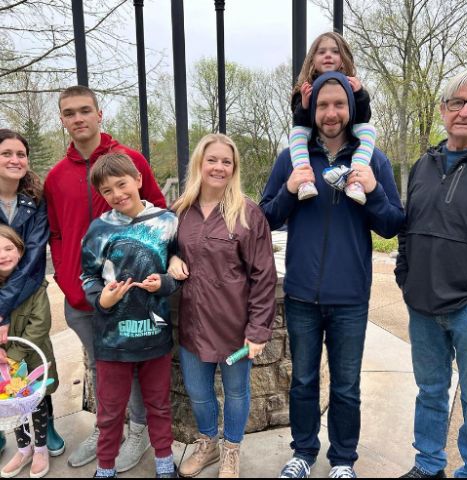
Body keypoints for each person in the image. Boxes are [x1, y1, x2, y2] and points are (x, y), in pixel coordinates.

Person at [260, 71, 404, 479]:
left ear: (351, 108)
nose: (330, 112)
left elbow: (393, 223)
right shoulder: (292, 155)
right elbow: (264, 215)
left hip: (350, 297)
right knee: (302, 381)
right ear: (312, 108)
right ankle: (303, 453)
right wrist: (289, 189)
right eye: (322, 104)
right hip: (303, 293)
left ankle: (343, 460)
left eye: (339, 104)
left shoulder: (372, 158)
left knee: (345, 387)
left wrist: (373, 190)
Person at [44, 86, 166, 471]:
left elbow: (159, 211)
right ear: (62, 120)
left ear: (99, 114)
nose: (77, 118)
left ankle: (138, 432)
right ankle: (106, 429)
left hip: (134, 297)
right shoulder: (56, 177)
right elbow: (57, 233)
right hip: (84, 296)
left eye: (84, 110)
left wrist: (156, 273)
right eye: (69, 113)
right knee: (101, 367)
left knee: (130, 365)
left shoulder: (129, 160)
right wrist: (68, 279)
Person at [167, 133, 277, 479]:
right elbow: (161, 249)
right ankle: (208, 445)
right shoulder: (180, 211)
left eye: (226, 161)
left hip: (235, 326)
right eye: (211, 159)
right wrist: (170, 257)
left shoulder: (248, 213)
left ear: (234, 168)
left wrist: (258, 330)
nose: (218, 167)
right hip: (193, 324)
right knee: (199, 395)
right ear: (199, 163)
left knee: (236, 392)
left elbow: (263, 276)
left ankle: (231, 449)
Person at [395, 68, 467, 479]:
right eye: (456, 103)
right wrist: (405, 276)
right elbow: (408, 229)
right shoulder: (422, 166)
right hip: (422, 305)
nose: (465, 111)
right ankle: (428, 466)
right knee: (430, 393)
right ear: (443, 111)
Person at [81, 152, 179, 479]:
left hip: (155, 336)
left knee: (159, 406)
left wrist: (164, 282)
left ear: (138, 180)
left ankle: (165, 464)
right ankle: (105, 468)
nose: (116, 194)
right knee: (109, 413)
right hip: (111, 340)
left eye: (122, 184)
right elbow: (89, 276)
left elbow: (178, 270)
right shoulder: (98, 229)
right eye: (107, 190)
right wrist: (101, 299)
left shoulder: (167, 221)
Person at [0, 129, 65, 458]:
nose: (15, 160)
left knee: (36, 357)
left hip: (29, 290)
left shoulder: (35, 199)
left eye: (20, 154)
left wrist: (3, 308)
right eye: (6, 153)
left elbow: (34, 255)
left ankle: (47, 422)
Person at [0, 225, 59, 478]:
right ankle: (24, 449)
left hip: (33, 360)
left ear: (21, 251)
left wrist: (13, 354)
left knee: (37, 402)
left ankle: (42, 447)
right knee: (13, 407)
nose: (2, 255)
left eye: (8, 248)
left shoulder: (35, 286)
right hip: (4, 365)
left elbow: (40, 325)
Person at [290, 31, 375, 204]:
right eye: (322, 52)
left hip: (348, 136)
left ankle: (356, 177)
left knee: (368, 130)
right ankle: (304, 179)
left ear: (343, 58)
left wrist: (359, 94)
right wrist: (305, 104)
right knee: (296, 133)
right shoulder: (306, 87)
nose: (328, 55)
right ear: (313, 59)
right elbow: (299, 120)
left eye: (335, 51)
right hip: (313, 138)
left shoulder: (352, 84)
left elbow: (364, 117)